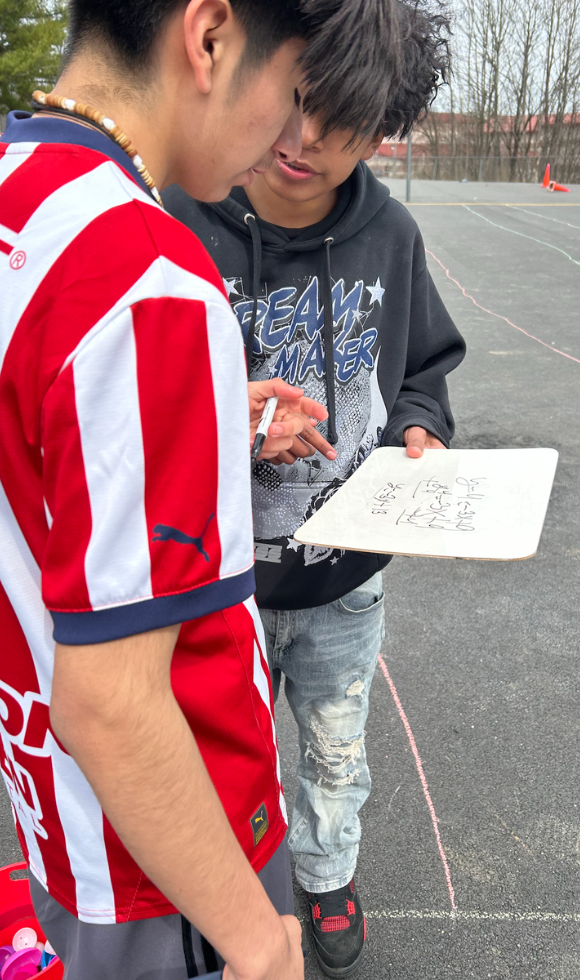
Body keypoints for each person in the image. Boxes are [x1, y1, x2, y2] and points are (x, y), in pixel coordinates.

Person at [0, 2, 404, 979]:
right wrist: (258, 940)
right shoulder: (146, 281)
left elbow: (41, 448)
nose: (286, 135)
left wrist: (215, 411)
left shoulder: (12, 196)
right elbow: (115, 704)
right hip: (162, 861)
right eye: (291, 89)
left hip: (56, 810)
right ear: (211, 36)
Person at [161, 4, 462, 974]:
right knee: (212, 753)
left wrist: (420, 424)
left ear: (382, 127)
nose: (303, 140)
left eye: (341, 118)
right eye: (292, 102)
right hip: (214, 580)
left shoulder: (390, 233)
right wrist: (228, 420)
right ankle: (230, 893)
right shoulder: (176, 218)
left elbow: (423, 365)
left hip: (344, 579)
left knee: (336, 751)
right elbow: (133, 402)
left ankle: (325, 873)